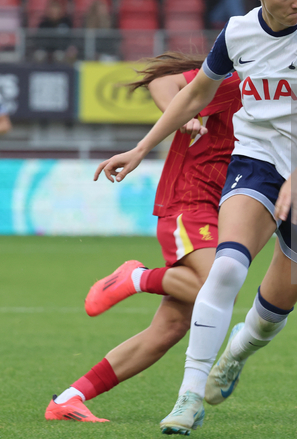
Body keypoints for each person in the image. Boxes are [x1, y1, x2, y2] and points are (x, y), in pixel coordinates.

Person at [93, 0, 297, 435]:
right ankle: (188, 398)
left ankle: (239, 350)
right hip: (259, 159)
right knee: (224, 270)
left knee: (270, 315)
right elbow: (196, 90)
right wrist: (141, 148)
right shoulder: (238, 34)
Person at [45, 52, 242, 422]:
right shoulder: (238, 82)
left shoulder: (281, 99)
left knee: (170, 328)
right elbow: (162, 83)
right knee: (213, 291)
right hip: (190, 198)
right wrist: (184, 114)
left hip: (220, 208)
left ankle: (69, 398)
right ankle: (136, 277)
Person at [33, 0, 78, 64]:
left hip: (62, 50)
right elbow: (38, 41)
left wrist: (67, 48)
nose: (54, 10)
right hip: (46, 50)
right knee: (39, 55)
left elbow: (71, 39)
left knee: (60, 55)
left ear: (60, 9)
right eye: (52, 8)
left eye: (56, 8)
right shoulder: (43, 24)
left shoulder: (67, 22)